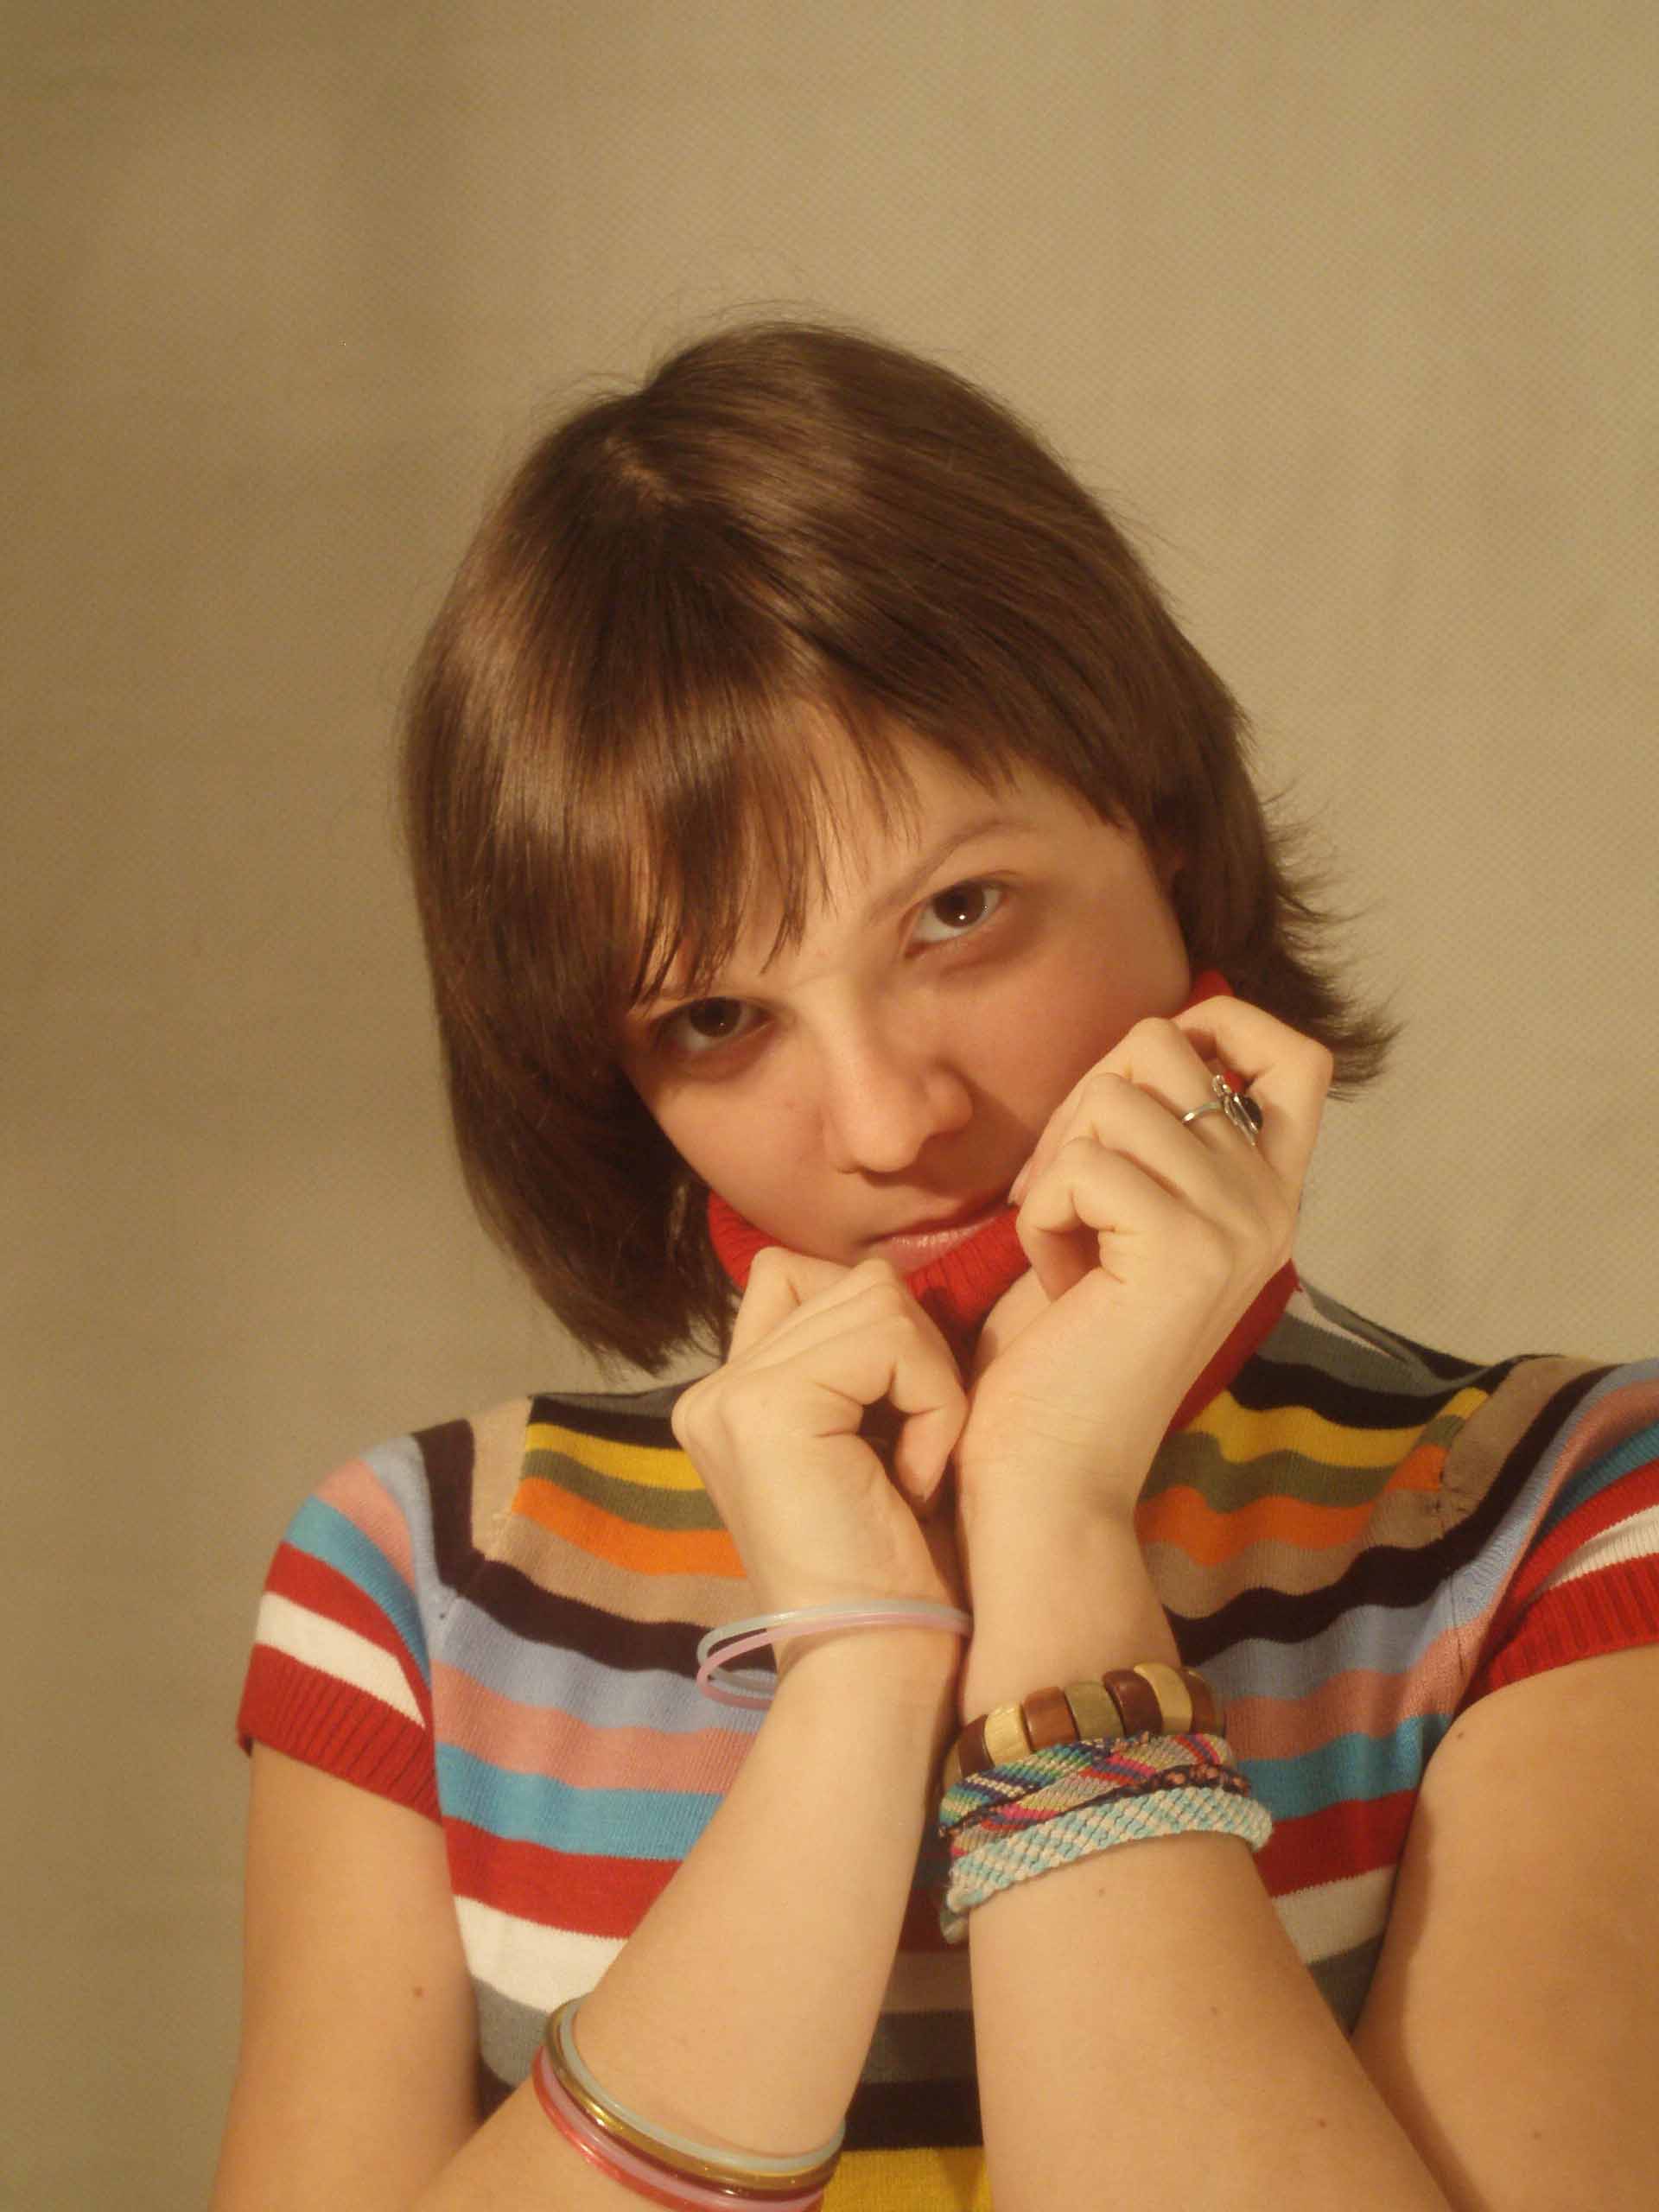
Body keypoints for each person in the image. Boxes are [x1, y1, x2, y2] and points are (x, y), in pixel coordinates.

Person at [213, 321, 1659, 2212]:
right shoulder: (429, 1581)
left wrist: (1053, 1523)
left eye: (958, 914)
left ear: (1163, 830)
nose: (890, 1119)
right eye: (718, 1017)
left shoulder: (1564, 1525)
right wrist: (855, 1683)